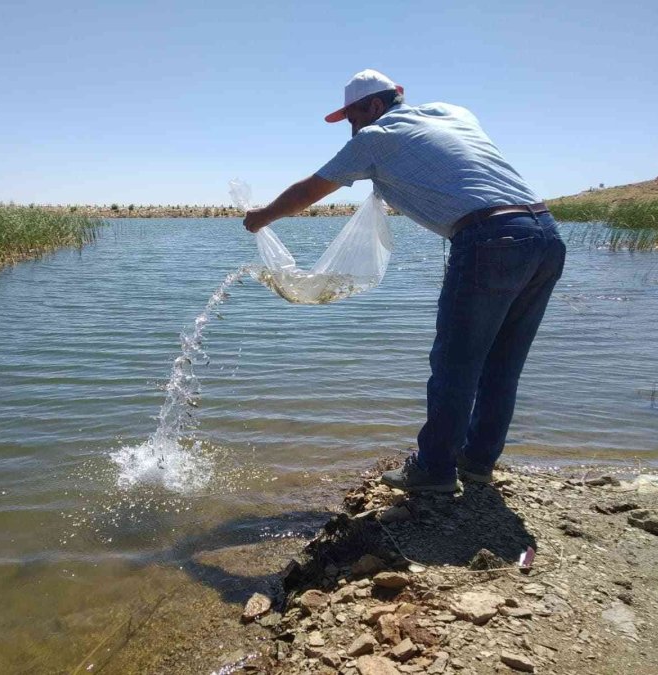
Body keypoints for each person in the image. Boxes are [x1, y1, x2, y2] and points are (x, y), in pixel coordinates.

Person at [243, 69, 566, 493]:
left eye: (353, 117)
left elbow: (310, 190)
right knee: (503, 363)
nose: (352, 128)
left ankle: (434, 470)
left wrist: (260, 218)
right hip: (544, 235)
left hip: (489, 239)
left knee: (456, 363)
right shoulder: (452, 112)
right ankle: (477, 463)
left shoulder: (374, 138)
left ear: (375, 107)